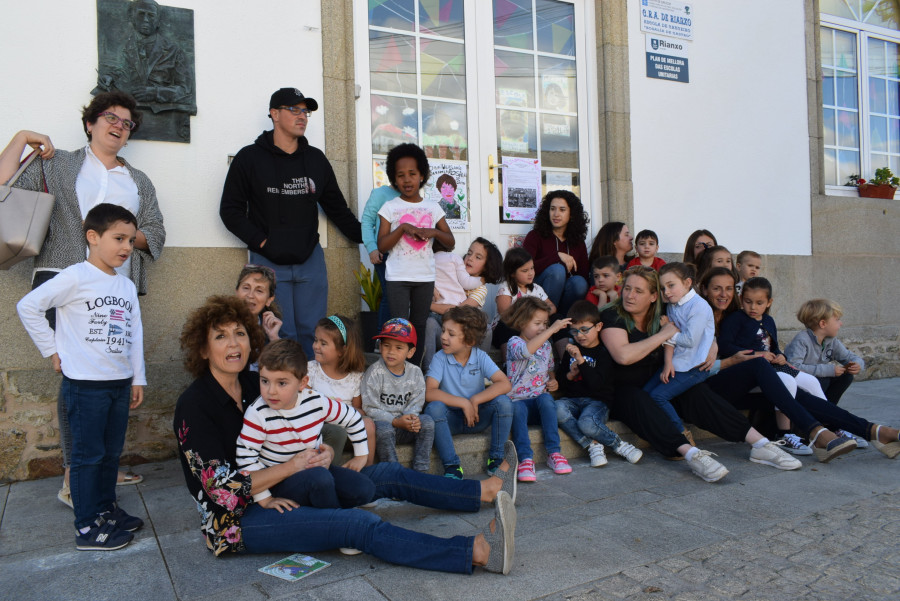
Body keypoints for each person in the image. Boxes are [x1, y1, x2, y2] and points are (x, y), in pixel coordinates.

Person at [173, 295, 520, 573]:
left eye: (240, 333)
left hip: (289, 483)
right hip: (239, 518)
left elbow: (306, 416)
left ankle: (484, 490)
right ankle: (475, 552)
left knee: (384, 473)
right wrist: (295, 466)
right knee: (356, 524)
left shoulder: (257, 383)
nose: (234, 344)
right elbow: (222, 493)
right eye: (220, 336)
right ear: (203, 349)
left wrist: (320, 451)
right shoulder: (195, 406)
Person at [0, 91, 165, 505]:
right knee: (76, 381)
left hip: (115, 291)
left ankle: (100, 467)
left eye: (127, 123)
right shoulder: (60, 163)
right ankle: (76, 476)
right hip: (62, 279)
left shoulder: (138, 180)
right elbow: (3, 183)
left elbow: (157, 235)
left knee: (108, 377)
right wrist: (22, 137)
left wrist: (121, 236)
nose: (118, 125)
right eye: (110, 117)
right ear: (90, 123)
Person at [17, 204, 146, 551]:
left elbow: (135, 331)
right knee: (87, 457)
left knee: (109, 454)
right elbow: (28, 306)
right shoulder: (74, 276)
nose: (126, 247)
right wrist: (51, 350)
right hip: (84, 386)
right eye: (119, 238)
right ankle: (88, 526)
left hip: (118, 384)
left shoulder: (126, 286)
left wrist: (138, 379)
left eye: (131, 241)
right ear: (93, 237)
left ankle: (106, 510)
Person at [599, 266, 802, 481]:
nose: (630, 295)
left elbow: (698, 328)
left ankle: (759, 443)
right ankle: (693, 455)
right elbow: (623, 356)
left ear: (652, 296)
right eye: (627, 288)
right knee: (640, 399)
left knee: (698, 394)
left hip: (661, 377)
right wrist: (663, 335)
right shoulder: (613, 315)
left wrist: (712, 345)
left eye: (638, 291)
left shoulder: (664, 312)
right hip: (622, 391)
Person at [698, 268, 900, 460]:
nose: (724, 294)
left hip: (754, 378)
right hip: (712, 386)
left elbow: (772, 346)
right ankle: (810, 433)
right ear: (704, 289)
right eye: (717, 288)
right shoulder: (702, 317)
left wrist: (779, 356)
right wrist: (740, 356)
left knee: (800, 389)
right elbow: (712, 356)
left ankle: (872, 431)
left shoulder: (754, 318)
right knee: (767, 370)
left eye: (729, 288)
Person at [219, 87, 363, 356]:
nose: (302, 117)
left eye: (305, 111)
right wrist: (263, 242)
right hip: (268, 263)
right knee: (276, 333)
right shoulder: (249, 158)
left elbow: (337, 209)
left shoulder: (315, 160)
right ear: (274, 114)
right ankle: (279, 394)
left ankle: (309, 392)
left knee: (313, 333)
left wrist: (369, 236)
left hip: (310, 260)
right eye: (294, 110)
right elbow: (230, 211)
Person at [236, 339, 372, 510]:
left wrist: (361, 455)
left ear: (302, 382)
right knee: (320, 479)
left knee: (364, 488)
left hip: (313, 469)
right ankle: (334, 521)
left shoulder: (315, 400)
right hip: (278, 483)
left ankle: (317, 511)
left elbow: (352, 418)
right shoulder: (257, 413)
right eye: (265, 381)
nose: (271, 391)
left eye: (282, 383)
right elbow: (246, 459)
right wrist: (265, 499)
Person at [377, 143, 455, 366]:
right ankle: (397, 369)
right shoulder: (389, 208)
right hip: (398, 278)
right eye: (400, 175)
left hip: (424, 278)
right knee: (400, 326)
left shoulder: (433, 207)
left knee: (420, 324)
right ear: (393, 179)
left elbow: (449, 242)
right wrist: (402, 227)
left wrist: (433, 231)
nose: (407, 180)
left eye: (412, 173)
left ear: (422, 175)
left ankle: (414, 371)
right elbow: (382, 245)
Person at [424, 306, 514, 479]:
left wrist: (475, 400)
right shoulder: (440, 358)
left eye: (451, 334)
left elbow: (504, 384)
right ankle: (452, 466)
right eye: (443, 331)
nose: (443, 336)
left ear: (469, 341)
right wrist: (463, 402)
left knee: (503, 402)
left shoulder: (480, 356)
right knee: (433, 409)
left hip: (477, 417)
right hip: (452, 420)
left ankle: (496, 460)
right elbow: (430, 392)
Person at [556, 301, 642, 467]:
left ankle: (619, 445)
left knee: (586, 423)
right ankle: (592, 445)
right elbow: (562, 383)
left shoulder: (604, 353)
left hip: (597, 401)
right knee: (556, 407)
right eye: (574, 331)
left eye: (584, 330)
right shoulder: (571, 351)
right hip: (573, 400)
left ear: (598, 326)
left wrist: (581, 361)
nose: (579, 335)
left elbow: (596, 385)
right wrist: (569, 375)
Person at [643, 263, 716, 442]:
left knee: (658, 397)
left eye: (671, 285)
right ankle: (659, 431)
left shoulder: (698, 306)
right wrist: (668, 363)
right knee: (644, 395)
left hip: (694, 367)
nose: (666, 292)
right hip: (677, 362)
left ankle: (681, 434)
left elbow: (690, 340)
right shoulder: (673, 304)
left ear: (687, 283)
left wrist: (668, 329)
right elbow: (669, 340)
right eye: (663, 288)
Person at [502, 297, 572, 481]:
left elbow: (549, 368)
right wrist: (551, 330)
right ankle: (525, 459)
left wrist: (553, 380)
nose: (543, 327)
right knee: (516, 407)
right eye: (537, 323)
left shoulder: (547, 345)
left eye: (545, 323)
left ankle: (554, 453)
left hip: (539, 403)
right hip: (519, 403)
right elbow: (526, 351)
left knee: (547, 399)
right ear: (521, 322)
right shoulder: (514, 342)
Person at [785, 299, 868, 447]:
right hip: (802, 388)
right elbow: (793, 366)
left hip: (819, 384)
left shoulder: (832, 341)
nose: (840, 323)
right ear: (823, 324)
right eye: (837, 320)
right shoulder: (802, 339)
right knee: (822, 380)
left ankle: (830, 421)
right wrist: (829, 370)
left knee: (845, 376)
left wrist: (857, 364)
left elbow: (849, 356)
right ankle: (826, 425)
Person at [94, 0, 194, 115]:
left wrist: (155, 93)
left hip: (160, 117)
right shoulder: (123, 46)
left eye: (151, 15)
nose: (146, 19)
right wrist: (109, 77)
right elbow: (121, 70)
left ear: (158, 21)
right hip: (125, 114)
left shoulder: (174, 51)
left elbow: (185, 91)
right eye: (141, 14)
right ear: (132, 18)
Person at [362, 318, 435, 471]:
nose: (391, 352)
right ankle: (393, 472)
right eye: (386, 345)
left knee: (427, 421)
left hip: (406, 426)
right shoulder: (374, 372)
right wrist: (394, 421)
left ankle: (420, 470)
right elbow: (370, 407)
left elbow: (417, 400)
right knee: (383, 429)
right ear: (380, 346)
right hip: (384, 426)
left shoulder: (415, 372)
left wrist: (411, 419)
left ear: (411, 352)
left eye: (398, 348)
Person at [422, 238, 504, 369]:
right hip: (443, 332)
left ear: (487, 266)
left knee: (487, 330)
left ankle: (477, 369)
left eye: (478, 257)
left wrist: (426, 305)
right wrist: (432, 286)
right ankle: (429, 371)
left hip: (465, 337)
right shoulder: (451, 272)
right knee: (430, 323)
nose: (470, 258)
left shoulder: (480, 288)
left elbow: (458, 311)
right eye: (469, 253)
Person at [307, 316, 374, 468]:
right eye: (316, 340)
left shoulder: (355, 377)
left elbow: (360, 410)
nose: (316, 346)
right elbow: (306, 405)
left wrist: (342, 412)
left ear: (342, 350)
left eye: (323, 343)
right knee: (337, 432)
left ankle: (367, 468)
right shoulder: (310, 370)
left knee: (369, 424)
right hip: (322, 430)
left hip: (348, 426)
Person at [522, 190, 590, 317]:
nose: (556, 214)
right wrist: (556, 256)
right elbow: (523, 268)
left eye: (562, 209)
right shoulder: (535, 236)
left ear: (572, 214)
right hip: (538, 291)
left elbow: (583, 275)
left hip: (566, 296)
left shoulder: (578, 242)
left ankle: (564, 322)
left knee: (580, 283)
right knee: (557, 270)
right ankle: (546, 319)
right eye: (552, 209)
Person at [492, 247, 555, 353]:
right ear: (512, 273)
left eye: (532, 268)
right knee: (505, 325)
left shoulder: (536, 288)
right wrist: (529, 318)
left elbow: (552, 307)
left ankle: (564, 358)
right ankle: (508, 364)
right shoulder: (506, 288)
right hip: (511, 330)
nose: (531, 273)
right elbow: (505, 313)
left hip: (532, 329)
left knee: (557, 318)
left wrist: (540, 316)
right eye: (525, 270)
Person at [360, 185, 399, 329]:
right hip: (385, 254)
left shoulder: (412, 193)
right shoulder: (380, 193)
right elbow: (367, 221)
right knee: (390, 297)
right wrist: (372, 248)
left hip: (408, 256)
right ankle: (382, 339)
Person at [234, 264, 282, 345]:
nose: (250, 295)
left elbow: (282, 357)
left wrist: (273, 338)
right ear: (236, 292)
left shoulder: (274, 327)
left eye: (259, 290)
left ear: (269, 300)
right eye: (246, 288)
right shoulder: (221, 322)